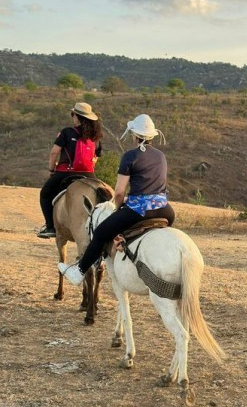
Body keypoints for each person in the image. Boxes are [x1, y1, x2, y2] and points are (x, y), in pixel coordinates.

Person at [58, 113, 174, 286]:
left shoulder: (130, 156)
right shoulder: (160, 156)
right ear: (151, 136)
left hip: (139, 210)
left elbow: (119, 192)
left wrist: (116, 208)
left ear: (135, 135)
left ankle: (79, 271)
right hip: (165, 210)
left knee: (100, 233)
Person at [37, 102, 103, 238]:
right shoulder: (95, 137)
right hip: (89, 174)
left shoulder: (67, 132)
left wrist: (52, 169)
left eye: (73, 114)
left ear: (77, 117)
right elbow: (95, 158)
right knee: (103, 199)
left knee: (45, 194)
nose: (72, 117)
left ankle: (50, 227)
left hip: (65, 172)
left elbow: (54, 153)